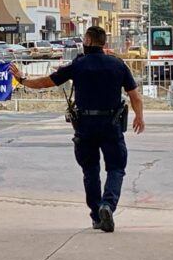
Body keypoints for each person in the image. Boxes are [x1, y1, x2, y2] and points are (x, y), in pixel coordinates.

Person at [10, 26, 145, 233]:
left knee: (90, 171)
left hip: (85, 125)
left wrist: (22, 80)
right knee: (116, 168)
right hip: (111, 124)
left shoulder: (78, 65)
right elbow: (135, 95)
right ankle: (107, 205)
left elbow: (47, 82)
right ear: (104, 42)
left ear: (89, 41)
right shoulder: (118, 65)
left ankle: (96, 216)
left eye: (84, 38)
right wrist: (139, 117)